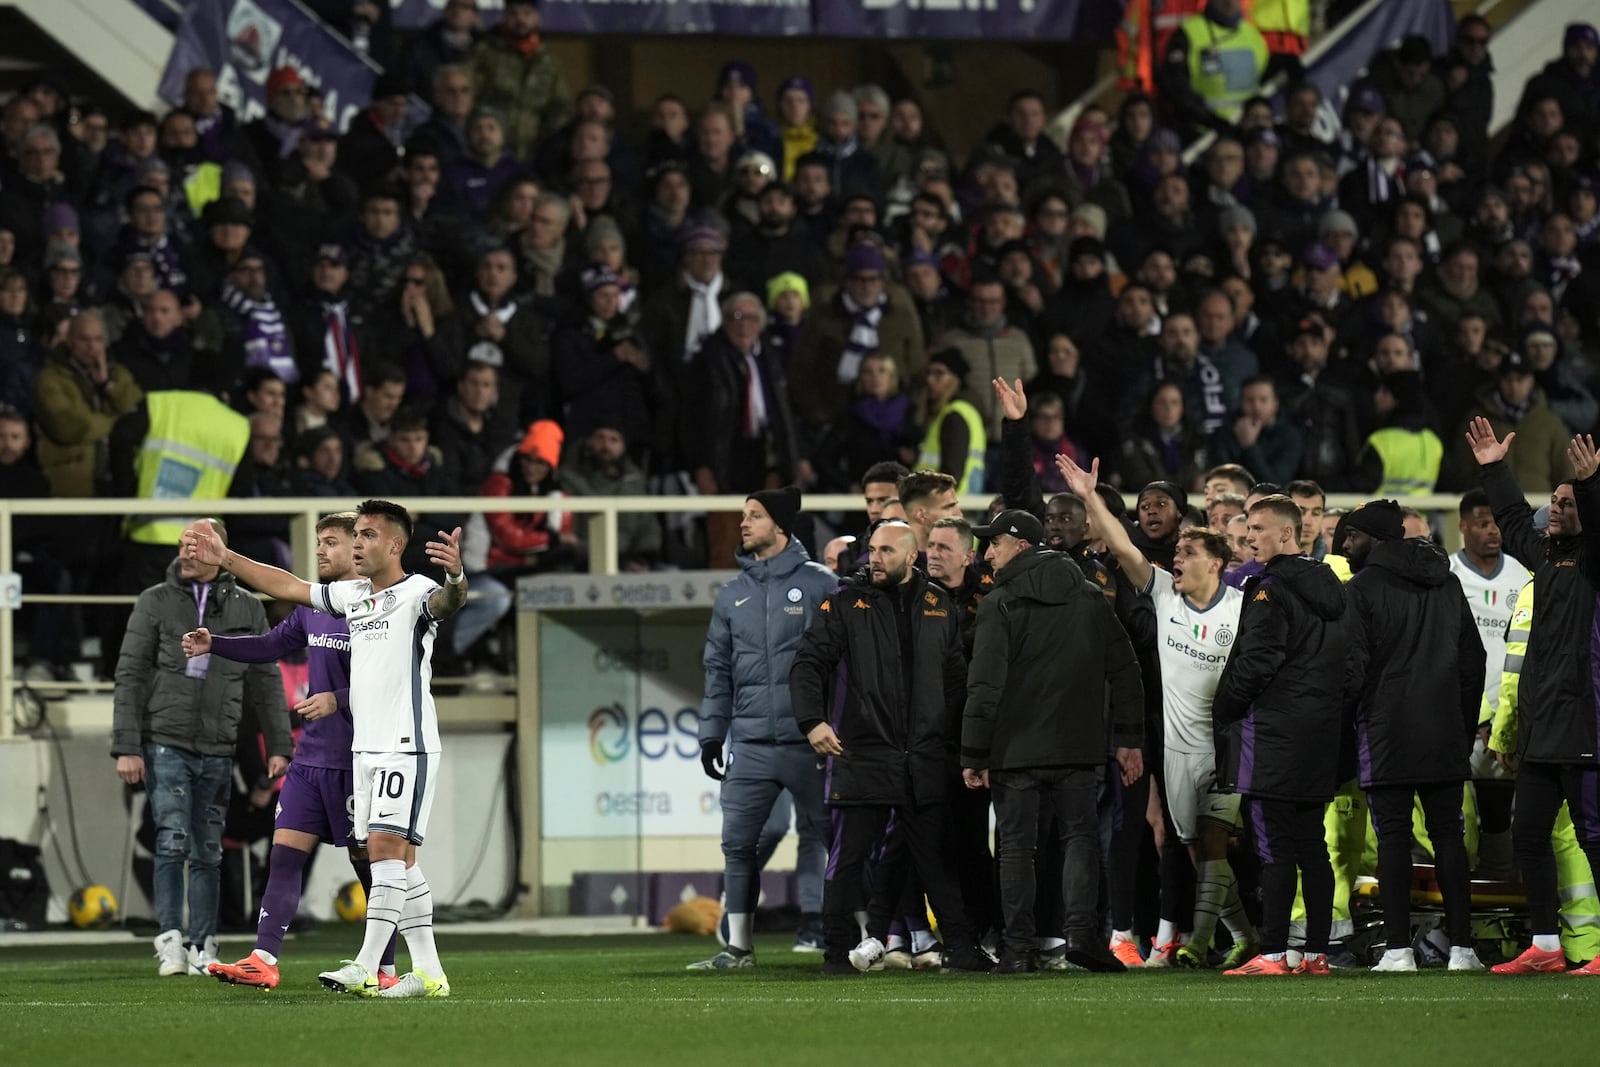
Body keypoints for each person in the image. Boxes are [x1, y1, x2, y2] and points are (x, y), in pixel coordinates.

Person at [180, 501, 469, 997]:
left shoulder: (418, 591)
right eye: (353, 534)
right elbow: (287, 587)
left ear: (395, 545)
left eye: (367, 535)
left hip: (405, 745)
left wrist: (457, 578)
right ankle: (428, 972)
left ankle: (367, 963)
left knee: (381, 854)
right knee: (401, 863)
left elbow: (448, 603)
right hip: (363, 751)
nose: (357, 543)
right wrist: (225, 557)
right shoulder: (351, 596)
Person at [1057, 452, 1261, 970]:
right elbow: (1123, 546)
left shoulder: (1242, 608)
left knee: (1214, 842)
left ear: (1215, 563)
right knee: (1196, 850)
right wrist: (1087, 497)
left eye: (1188, 552)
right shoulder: (1166, 596)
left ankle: (1195, 941)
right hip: (1176, 749)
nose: (1177, 558)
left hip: (1228, 744)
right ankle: (1246, 935)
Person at [199, 513, 397, 990]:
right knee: (283, 857)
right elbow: (269, 645)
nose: (322, 551)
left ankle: (385, 970)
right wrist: (215, 644)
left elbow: (394, 684)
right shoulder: (313, 608)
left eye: (331, 542)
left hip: (358, 762)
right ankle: (263, 958)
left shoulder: (377, 608)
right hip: (310, 762)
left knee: (368, 868)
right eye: (320, 543)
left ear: (358, 549)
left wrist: (338, 700)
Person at [789, 521, 992, 975]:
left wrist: (965, 747)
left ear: (911, 556)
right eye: (871, 550)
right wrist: (812, 721)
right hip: (861, 753)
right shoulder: (844, 603)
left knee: (936, 861)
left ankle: (960, 948)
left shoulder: (938, 604)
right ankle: (835, 953)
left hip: (923, 757)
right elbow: (807, 663)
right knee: (848, 861)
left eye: (884, 551)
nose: (873, 558)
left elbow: (956, 683)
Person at [961, 508, 1144, 974]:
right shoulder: (1089, 596)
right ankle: (1083, 936)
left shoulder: (998, 603)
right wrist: (1127, 738)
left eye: (994, 543)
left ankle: (1018, 948)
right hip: (1079, 745)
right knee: (1080, 838)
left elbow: (985, 686)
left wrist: (974, 752)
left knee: (1017, 847)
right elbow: (1126, 669)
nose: (987, 553)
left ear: (1021, 546)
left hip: (1014, 749)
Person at [112, 519, 291, 977]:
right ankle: (171, 939)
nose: (188, 551)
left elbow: (267, 681)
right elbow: (129, 675)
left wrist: (278, 743)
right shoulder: (154, 601)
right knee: (171, 839)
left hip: (218, 743)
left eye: (199, 543)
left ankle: (204, 945)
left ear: (220, 550)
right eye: (183, 543)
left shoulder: (247, 607)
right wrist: (127, 746)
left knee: (209, 849)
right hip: (165, 740)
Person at [1465, 420, 1600, 975]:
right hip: (1545, 726)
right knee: (1528, 834)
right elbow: (1518, 520)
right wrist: (1495, 468)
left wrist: (1592, 486)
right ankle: (1545, 944)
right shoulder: (1545, 558)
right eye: (1558, 501)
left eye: (1570, 501)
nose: (1560, 507)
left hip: (1589, 724)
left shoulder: (1595, 561)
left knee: (1594, 841)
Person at [689, 487, 836, 969]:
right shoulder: (733, 595)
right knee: (738, 845)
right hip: (750, 744)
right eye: (744, 516)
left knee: (838, 840)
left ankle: (860, 938)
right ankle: (739, 947)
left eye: (755, 516)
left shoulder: (821, 584)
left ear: (780, 525)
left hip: (810, 742)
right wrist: (713, 732)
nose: (744, 524)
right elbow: (718, 671)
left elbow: (844, 664)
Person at [1339, 499, 1487, 972]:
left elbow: (1351, 668)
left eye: (1352, 536)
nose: (1344, 545)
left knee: (1395, 839)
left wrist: (1353, 721)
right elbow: (1474, 660)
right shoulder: (1447, 581)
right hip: (1444, 729)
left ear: (1376, 539)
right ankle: (1463, 948)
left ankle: (1399, 948)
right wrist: (1460, 727)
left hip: (1387, 733)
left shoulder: (1361, 588)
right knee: (1448, 835)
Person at [1212, 494, 1347, 976]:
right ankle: (1314, 954)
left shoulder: (1269, 587)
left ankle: (1271, 953)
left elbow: (1257, 662)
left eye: (1257, 528)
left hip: (1272, 736)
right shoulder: (1332, 586)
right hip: (1320, 736)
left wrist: (1224, 707)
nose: (1248, 536)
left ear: (1286, 534)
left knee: (1273, 848)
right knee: (1312, 847)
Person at [918, 348, 986, 496]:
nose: (930, 380)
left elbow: (952, 473)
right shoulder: (965, 411)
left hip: (948, 506)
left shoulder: (954, 415)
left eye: (939, 373)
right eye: (929, 373)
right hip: (962, 503)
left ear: (955, 378)